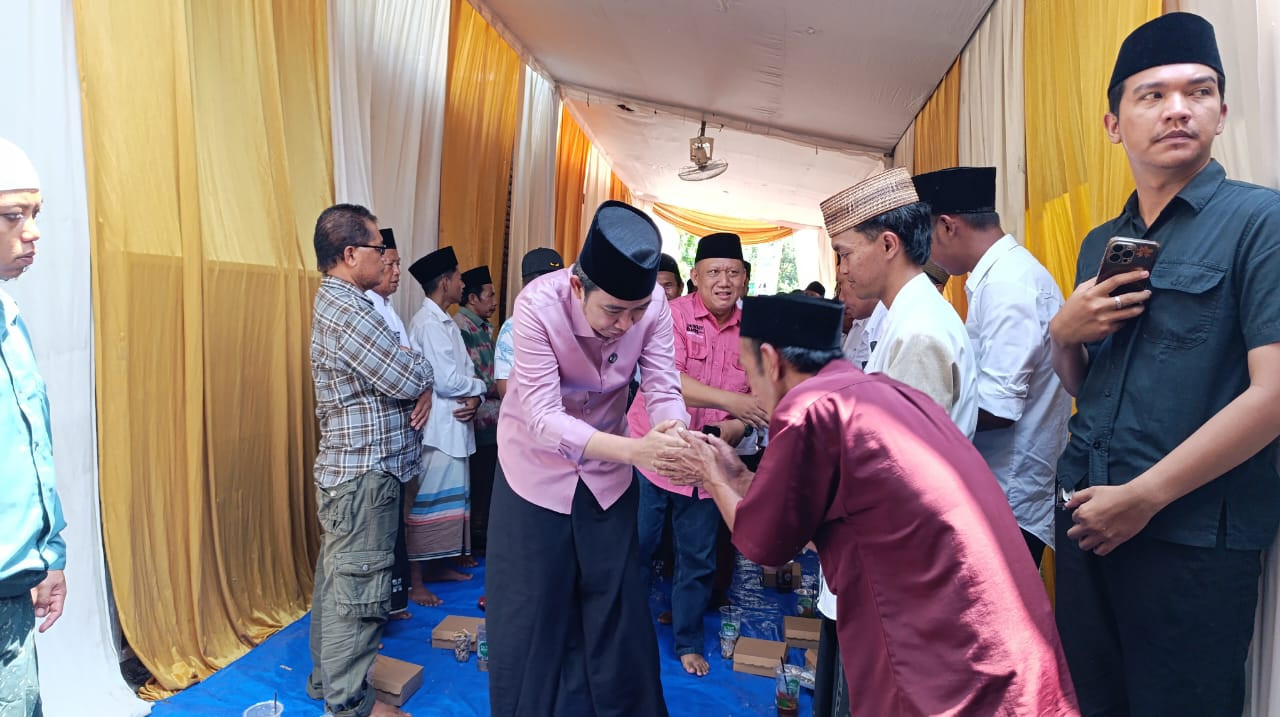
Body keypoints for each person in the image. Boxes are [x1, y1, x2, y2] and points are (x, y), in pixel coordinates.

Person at [661, 293, 1080, 716]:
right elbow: (801, 512)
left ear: (770, 361)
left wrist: (708, 474)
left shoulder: (809, 408)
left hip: (943, 657)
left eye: (748, 373)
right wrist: (736, 476)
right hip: (1005, 636)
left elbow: (765, 544)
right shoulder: (877, 390)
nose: (753, 393)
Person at [1047, 13, 1280, 715]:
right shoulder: (1101, 242)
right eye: (1152, 95)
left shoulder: (1259, 222)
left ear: (1221, 112)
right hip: (1088, 518)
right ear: (1114, 124)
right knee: (1090, 702)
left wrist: (1145, 496)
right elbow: (1091, 386)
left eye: (1198, 92)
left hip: (1191, 539)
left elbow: (1273, 395)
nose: (1178, 109)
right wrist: (1062, 336)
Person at [486, 200, 690, 716]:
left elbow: (663, 386)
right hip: (533, 472)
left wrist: (673, 435)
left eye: (636, 312)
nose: (626, 324)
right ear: (578, 287)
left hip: (606, 473)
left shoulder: (652, 306)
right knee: (533, 613)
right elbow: (542, 418)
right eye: (613, 311)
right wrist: (637, 452)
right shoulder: (537, 305)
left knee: (614, 609)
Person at [306, 203, 433, 717]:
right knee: (358, 592)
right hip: (364, 476)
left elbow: (405, 368)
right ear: (350, 253)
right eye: (379, 248)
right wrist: (423, 375)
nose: (385, 257)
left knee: (339, 584)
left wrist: (417, 372)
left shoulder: (350, 304)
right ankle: (350, 704)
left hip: (356, 474)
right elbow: (407, 376)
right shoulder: (350, 311)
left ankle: (327, 683)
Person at [915, 166, 1072, 566]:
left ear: (947, 226)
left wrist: (919, 422)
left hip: (1009, 495)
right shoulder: (998, 277)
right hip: (994, 487)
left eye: (926, 237)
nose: (926, 253)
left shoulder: (1009, 284)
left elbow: (999, 408)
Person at [627, 232, 766, 677]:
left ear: (745, 279)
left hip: (707, 463)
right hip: (656, 452)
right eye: (714, 272)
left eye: (733, 273)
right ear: (695, 276)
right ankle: (622, 630)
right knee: (638, 545)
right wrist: (733, 402)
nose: (724, 281)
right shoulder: (671, 315)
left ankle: (687, 641)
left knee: (698, 557)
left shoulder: (755, 332)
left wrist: (728, 427)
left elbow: (754, 409)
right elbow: (667, 379)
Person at [0, 137, 68, 717]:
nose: (33, 232)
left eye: (35, 214)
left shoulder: (10, 321)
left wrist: (49, 555)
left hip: (10, 592)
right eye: (12, 216)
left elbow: (30, 452)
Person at [404, 246, 486, 606]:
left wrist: (475, 397)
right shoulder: (428, 323)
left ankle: (438, 566)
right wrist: (479, 388)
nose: (462, 284)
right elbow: (448, 381)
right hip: (438, 429)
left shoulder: (444, 321)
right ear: (444, 282)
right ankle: (416, 582)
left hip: (454, 426)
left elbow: (462, 373)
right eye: (458, 277)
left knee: (450, 502)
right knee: (428, 504)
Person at [454, 265, 500, 556]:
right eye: (489, 295)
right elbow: (475, 375)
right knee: (478, 482)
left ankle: (482, 536)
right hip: (478, 420)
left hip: (494, 420)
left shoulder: (483, 327)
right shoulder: (462, 328)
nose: (494, 301)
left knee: (488, 483)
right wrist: (501, 386)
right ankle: (473, 540)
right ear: (472, 298)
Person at [493, 247, 562, 399]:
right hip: (530, 412)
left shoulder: (574, 324)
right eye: (544, 283)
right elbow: (505, 389)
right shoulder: (513, 328)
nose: (554, 290)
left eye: (558, 282)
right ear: (526, 286)